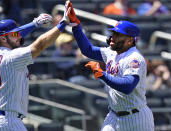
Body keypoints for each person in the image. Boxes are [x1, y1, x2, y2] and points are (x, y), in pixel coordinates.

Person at [64, 0, 154, 130]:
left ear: (130, 40)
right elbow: (87, 50)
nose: (112, 37)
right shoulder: (111, 53)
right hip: (113, 116)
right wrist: (76, 25)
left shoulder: (135, 58)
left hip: (136, 118)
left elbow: (128, 86)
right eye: (113, 33)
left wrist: (102, 74)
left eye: (118, 35)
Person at [0, 2, 70, 130]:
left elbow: (15, 37)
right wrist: (63, 23)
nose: (18, 36)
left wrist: (35, 24)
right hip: (6, 121)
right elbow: (39, 45)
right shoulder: (11, 57)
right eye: (14, 34)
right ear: (3, 38)